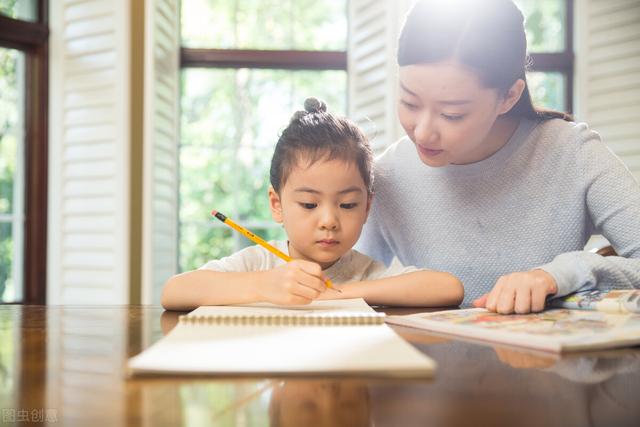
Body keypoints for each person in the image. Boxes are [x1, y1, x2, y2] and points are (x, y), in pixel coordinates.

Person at [356, 0, 640, 314]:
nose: (422, 133)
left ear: (509, 96)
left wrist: (559, 274)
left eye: (451, 115)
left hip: (549, 361)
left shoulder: (573, 153)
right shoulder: (386, 175)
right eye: (409, 103)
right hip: (430, 360)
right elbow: (340, 280)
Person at [161, 97, 463, 311]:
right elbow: (174, 292)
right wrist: (263, 286)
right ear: (277, 204)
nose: (329, 220)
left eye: (347, 205)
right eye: (308, 204)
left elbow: (448, 288)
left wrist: (341, 294)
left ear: (367, 206)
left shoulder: (363, 271)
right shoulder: (260, 264)